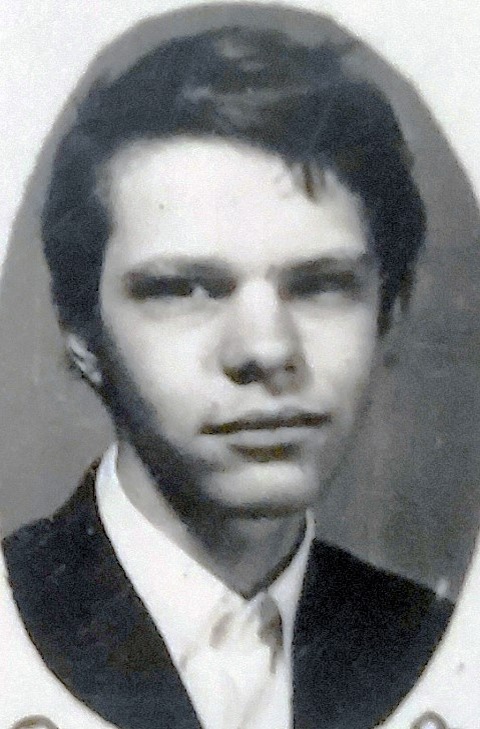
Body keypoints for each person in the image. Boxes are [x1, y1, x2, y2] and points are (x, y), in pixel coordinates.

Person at [2, 22, 452, 729]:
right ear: (82, 333)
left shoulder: (440, 647)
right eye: (185, 288)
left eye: (321, 284)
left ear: (388, 314)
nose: (266, 349)